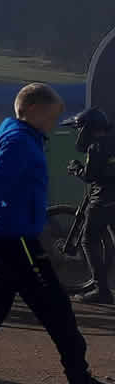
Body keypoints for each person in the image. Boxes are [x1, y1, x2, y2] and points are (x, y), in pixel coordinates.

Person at [0, 84, 115, 384]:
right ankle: (80, 382)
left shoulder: (18, 135)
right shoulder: (19, 141)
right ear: (33, 110)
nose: (53, 122)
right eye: (51, 115)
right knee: (57, 309)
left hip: (9, 235)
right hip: (15, 236)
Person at [61, 107, 115, 305]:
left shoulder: (96, 146)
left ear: (86, 129)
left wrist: (76, 169)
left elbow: (90, 176)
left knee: (88, 240)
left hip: (102, 200)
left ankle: (102, 290)